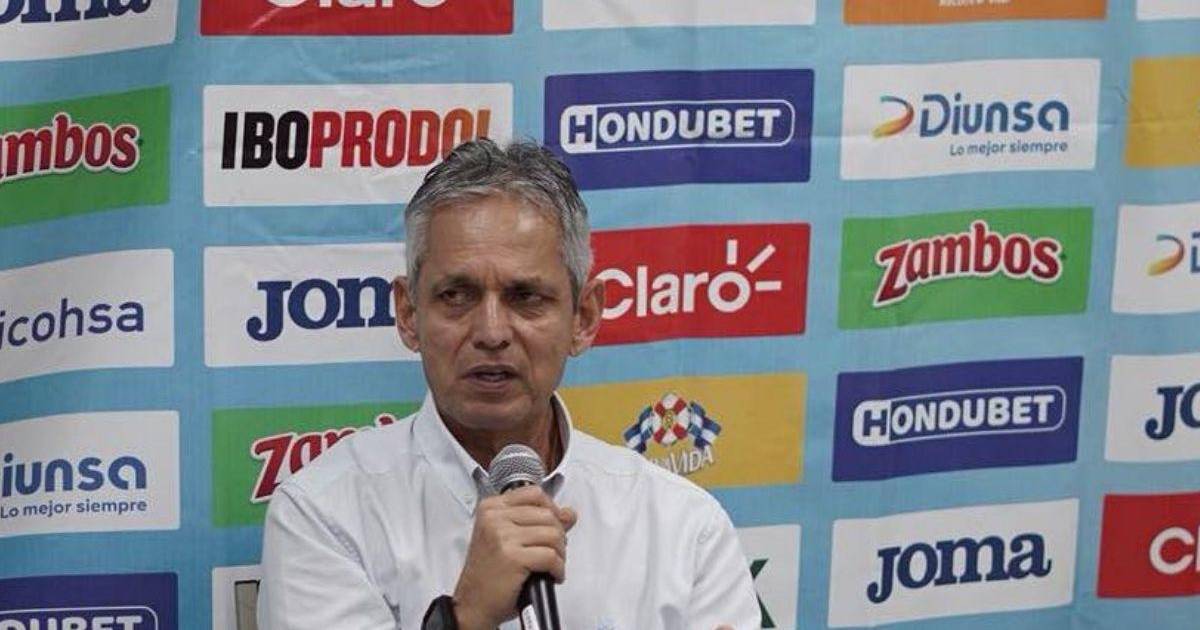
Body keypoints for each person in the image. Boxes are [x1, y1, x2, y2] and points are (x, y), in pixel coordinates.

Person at [256, 139, 761, 629]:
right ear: (408, 314)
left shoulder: (684, 526)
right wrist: (466, 618)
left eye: (526, 297)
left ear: (583, 318)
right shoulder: (325, 514)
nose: (492, 332)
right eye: (457, 295)